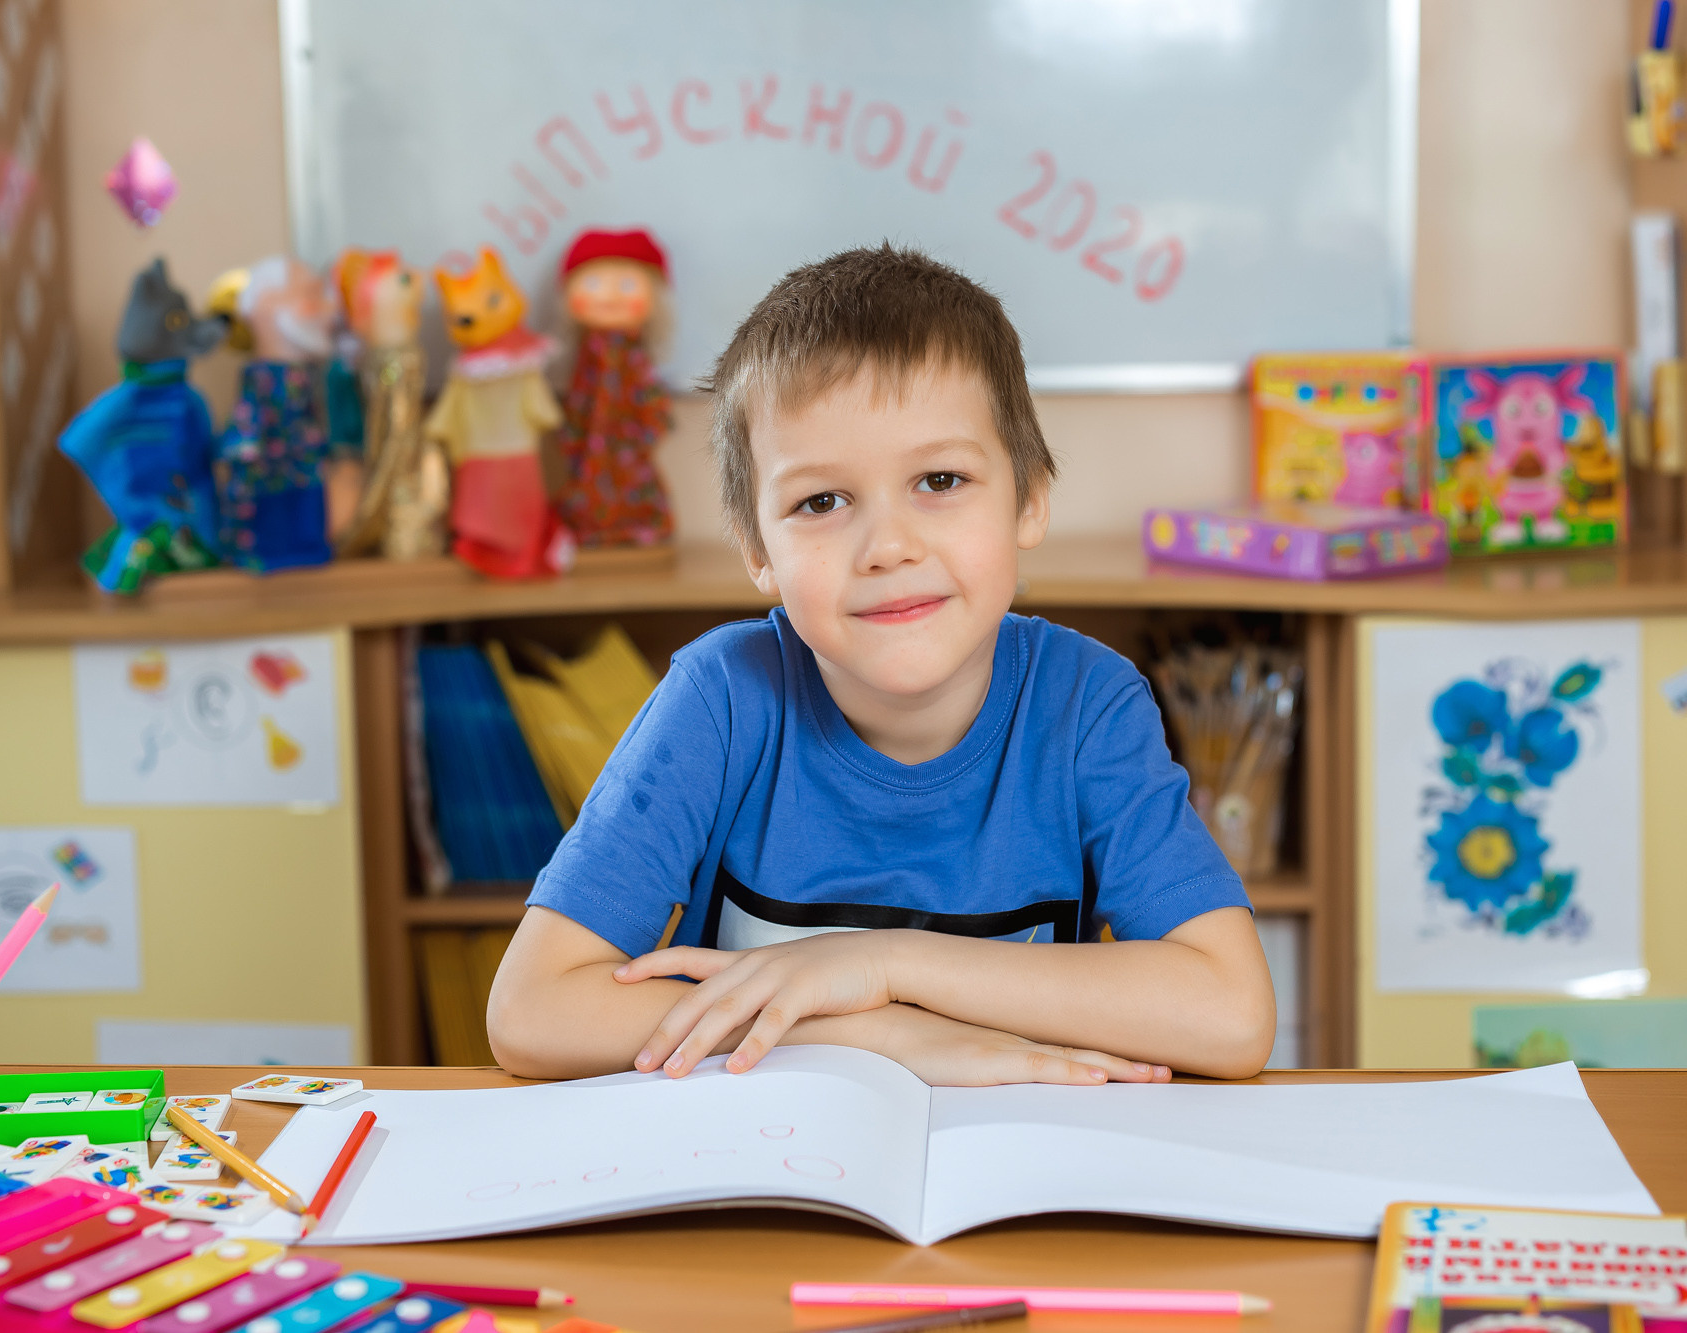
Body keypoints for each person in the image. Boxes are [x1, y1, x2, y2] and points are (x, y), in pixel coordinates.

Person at [488, 244, 1274, 1087]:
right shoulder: (719, 697)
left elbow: (1232, 1014)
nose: (888, 547)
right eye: (821, 502)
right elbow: (531, 1010)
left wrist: (884, 964)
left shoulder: (1088, 703)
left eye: (940, 479)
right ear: (758, 549)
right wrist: (878, 1036)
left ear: (1031, 498)